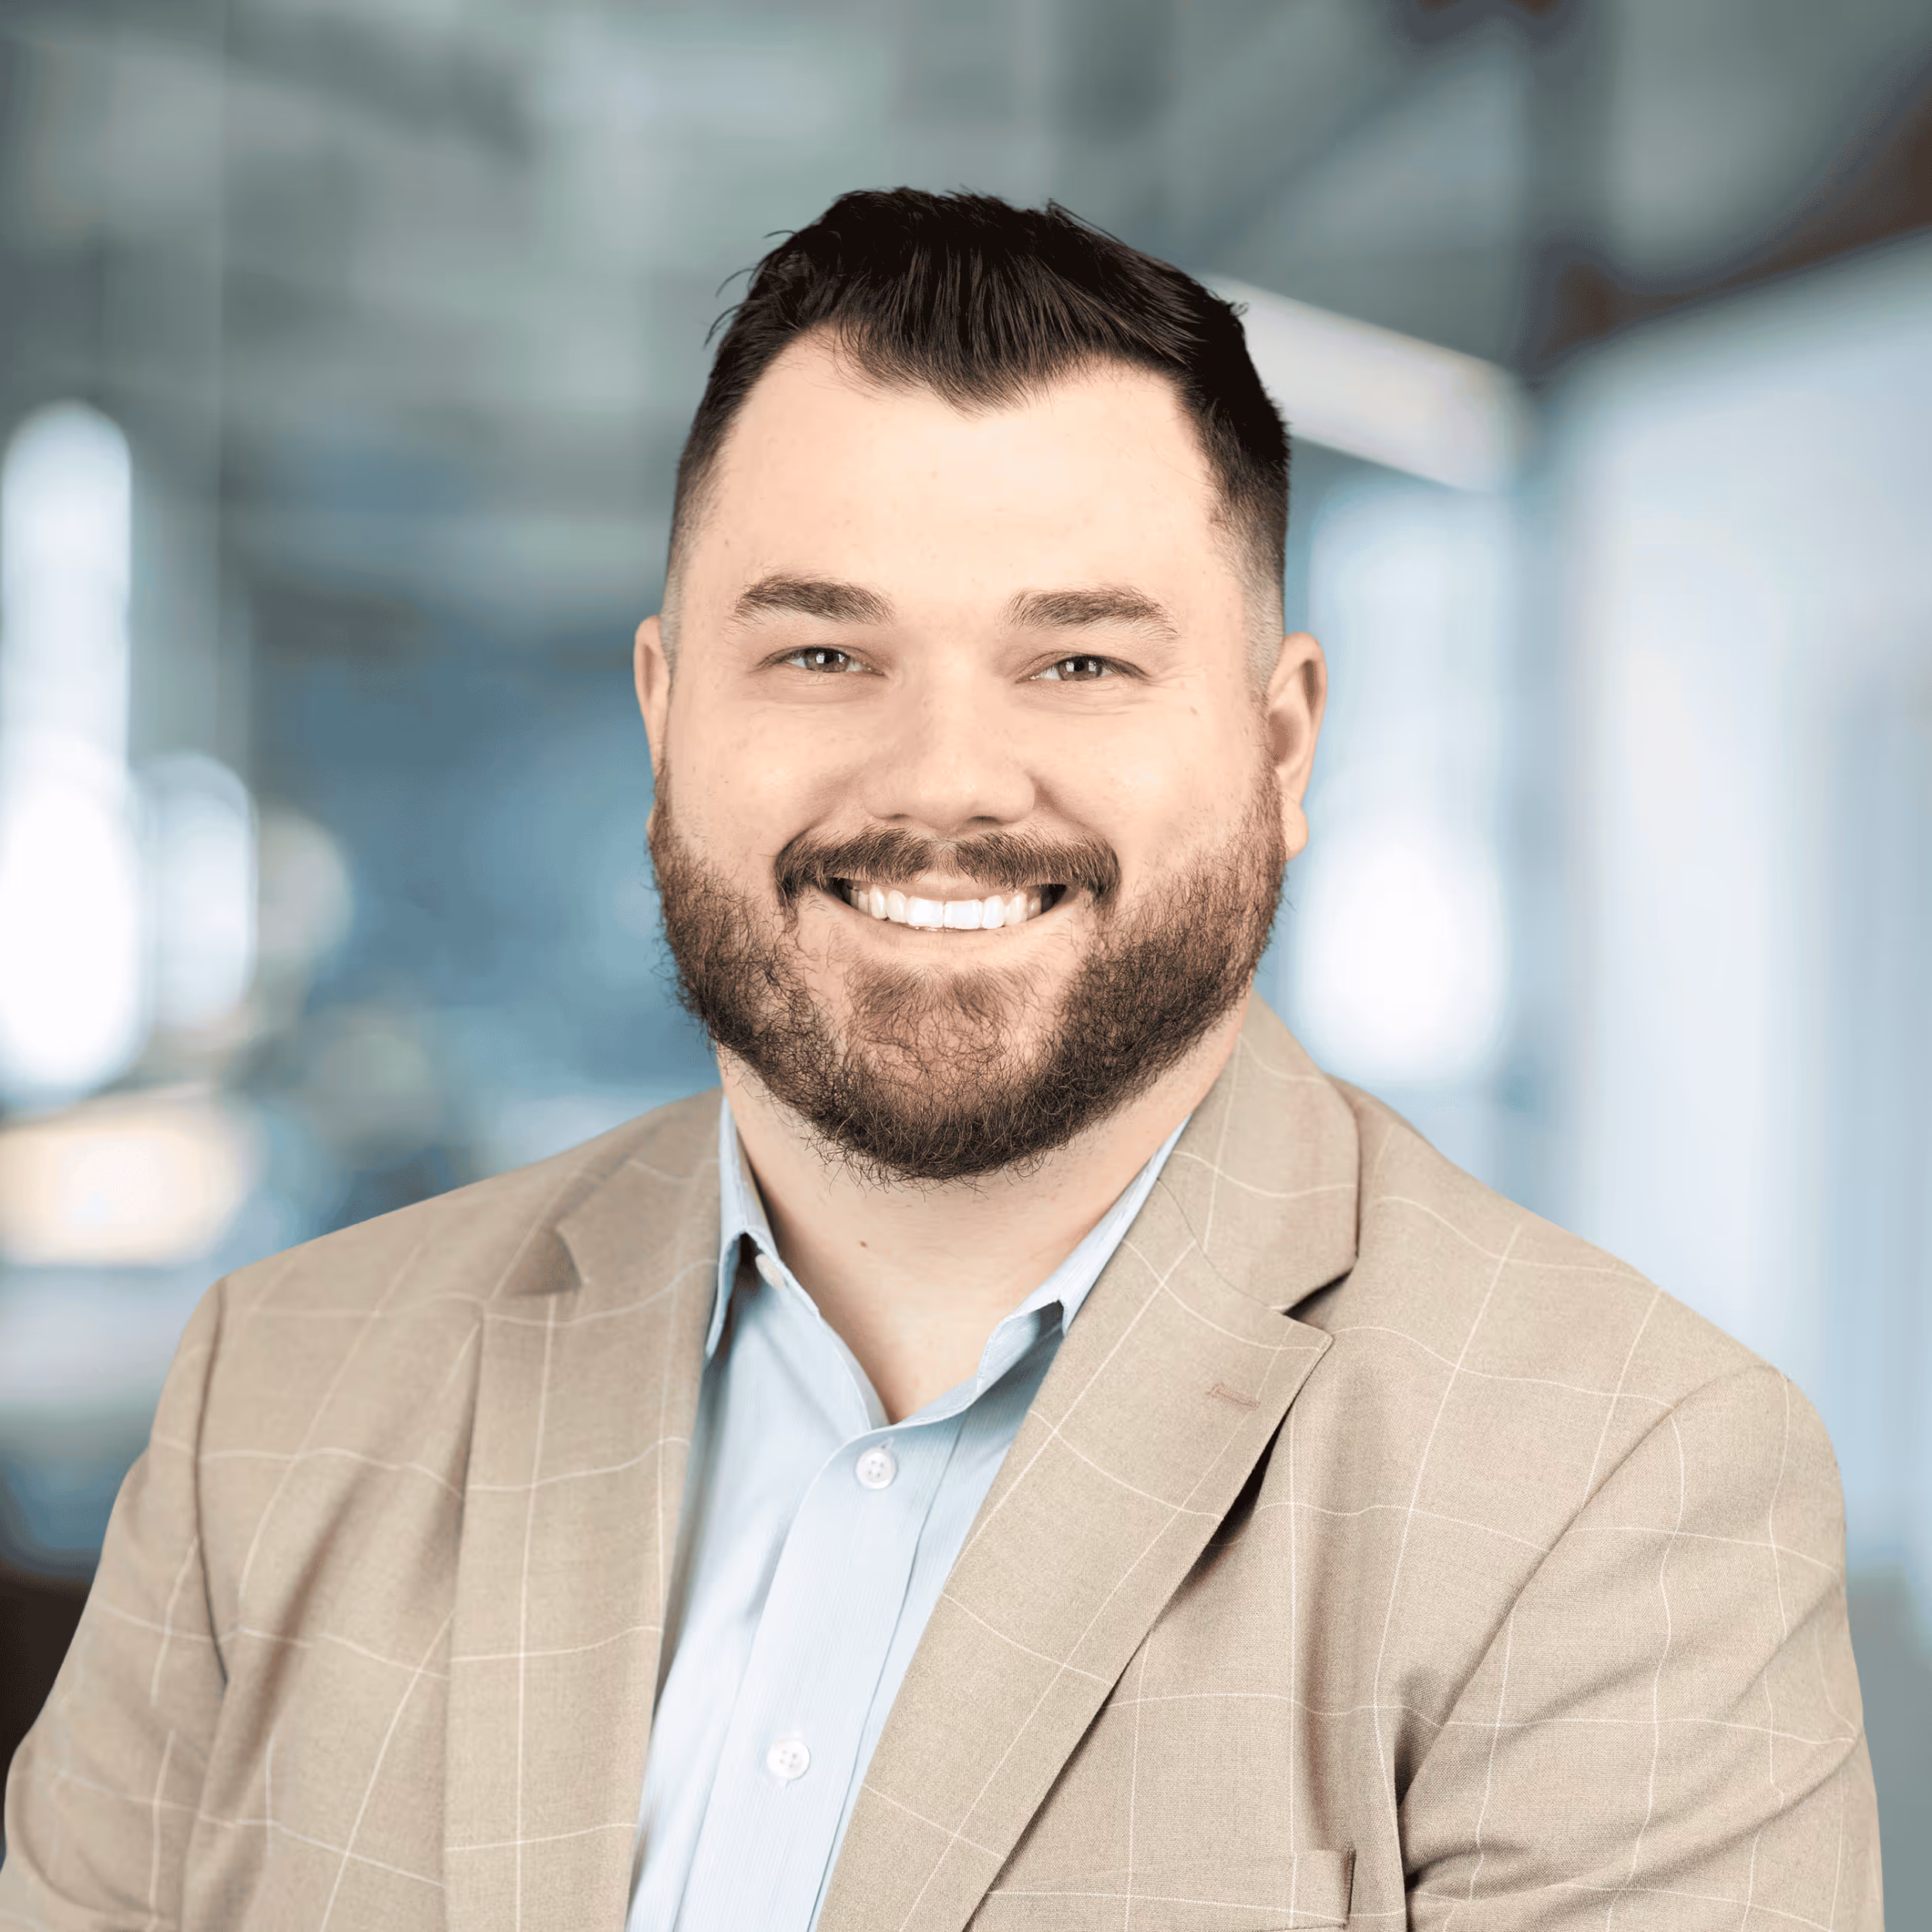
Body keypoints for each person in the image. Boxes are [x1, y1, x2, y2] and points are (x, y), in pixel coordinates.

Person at [0, 189, 1879, 1932]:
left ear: (1283, 743)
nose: (942, 785)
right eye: (821, 653)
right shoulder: (278, 1393)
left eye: (1076, 663)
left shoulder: (1614, 1488)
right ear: (665, 717)